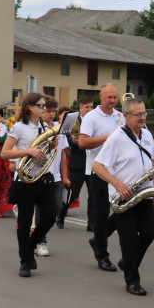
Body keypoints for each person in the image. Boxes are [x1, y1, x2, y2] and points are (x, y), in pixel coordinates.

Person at [92, 97, 154, 296]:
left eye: (144, 113)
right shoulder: (116, 138)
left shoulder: (147, 134)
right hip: (124, 198)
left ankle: (127, 262)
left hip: (144, 194)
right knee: (128, 240)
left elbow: (153, 161)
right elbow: (97, 166)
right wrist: (117, 184)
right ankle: (132, 280)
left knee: (150, 233)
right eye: (138, 114)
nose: (142, 117)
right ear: (127, 116)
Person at [1, 92, 63, 278]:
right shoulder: (19, 127)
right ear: (30, 107)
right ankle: (25, 261)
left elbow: (46, 150)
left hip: (45, 178)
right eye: (41, 106)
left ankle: (29, 247)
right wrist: (28, 151)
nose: (44, 109)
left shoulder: (44, 126)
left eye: (44, 106)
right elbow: (5, 153)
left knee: (51, 215)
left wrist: (52, 146)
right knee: (25, 222)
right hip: (25, 181)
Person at [77, 84, 124, 272]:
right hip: (98, 171)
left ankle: (97, 239)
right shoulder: (91, 117)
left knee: (122, 210)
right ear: (101, 96)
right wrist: (109, 137)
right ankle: (102, 256)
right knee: (102, 213)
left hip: (118, 171)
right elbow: (82, 143)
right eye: (109, 97)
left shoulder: (120, 116)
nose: (112, 101)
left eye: (115, 97)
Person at [31, 97, 70, 259]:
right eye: (48, 111)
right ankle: (41, 242)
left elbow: (62, 155)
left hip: (55, 176)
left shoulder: (60, 129)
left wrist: (64, 176)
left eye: (53, 111)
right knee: (41, 210)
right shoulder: (37, 130)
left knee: (56, 207)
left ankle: (35, 237)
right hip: (40, 175)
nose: (51, 114)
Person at [58, 97, 93, 228]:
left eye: (91, 107)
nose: (90, 110)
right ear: (80, 108)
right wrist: (74, 142)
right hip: (78, 161)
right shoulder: (73, 119)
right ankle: (61, 214)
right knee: (72, 193)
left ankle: (92, 223)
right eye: (87, 107)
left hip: (93, 163)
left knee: (94, 196)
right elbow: (63, 134)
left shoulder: (95, 120)